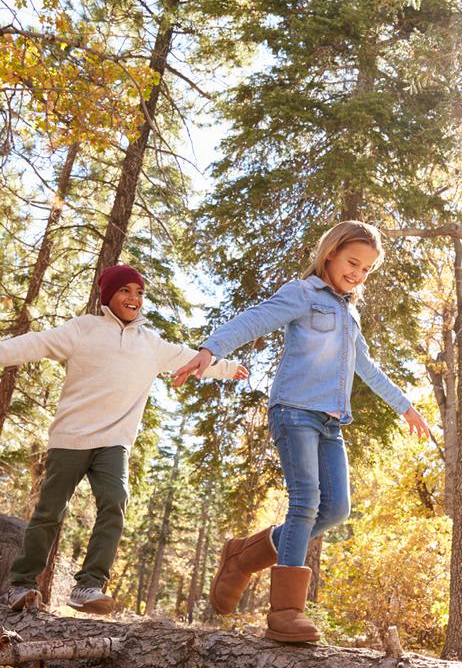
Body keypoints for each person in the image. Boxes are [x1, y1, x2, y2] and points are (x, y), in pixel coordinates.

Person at [172, 220, 430, 643]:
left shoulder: (350, 313)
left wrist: (405, 406)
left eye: (367, 269)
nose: (358, 274)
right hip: (294, 411)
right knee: (306, 501)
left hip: (331, 422)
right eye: (352, 263)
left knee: (336, 510)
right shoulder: (302, 294)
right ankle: (286, 612)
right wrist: (210, 350)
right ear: (330, 253)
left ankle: (243, 556)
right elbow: (254, 320)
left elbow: (366, 367)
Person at [2, 264, 247, 614]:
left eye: (139, 292)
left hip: (114, 442)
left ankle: (88, 585)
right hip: (71, 439)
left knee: (115, 501)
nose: (134, 298)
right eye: (125, 291)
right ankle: (21, 584)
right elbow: (34, 344)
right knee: (49, 513)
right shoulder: (83, 330)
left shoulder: (150, 344)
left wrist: (226, 368)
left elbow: (191, 358)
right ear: (108, 296)